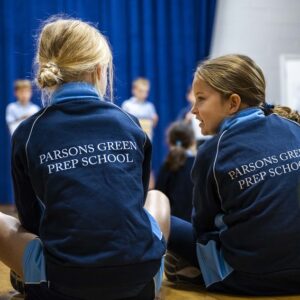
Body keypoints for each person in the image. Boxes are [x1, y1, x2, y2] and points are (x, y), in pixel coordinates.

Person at [0, 17, 170, 300]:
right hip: (142, 284)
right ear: (99, 70)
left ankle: (30, 279)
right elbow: (136, 203)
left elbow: (30, 221)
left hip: (63, 286)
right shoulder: (129, 122)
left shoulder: (28, 132)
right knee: (158, 198)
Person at [167, 54, 300, 295]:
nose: (194, 110)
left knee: (158, 209)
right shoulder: (294, 128)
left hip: (248, 279)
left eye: (201, 99)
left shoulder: (212, 151)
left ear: (233, 103)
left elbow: (203, 232)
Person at [156, 121, 196, 222]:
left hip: (172, 225)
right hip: (197, 225)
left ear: (168, 141)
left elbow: (158, 198)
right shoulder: (199, 164)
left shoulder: (167, 166)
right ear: (192, 141)